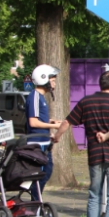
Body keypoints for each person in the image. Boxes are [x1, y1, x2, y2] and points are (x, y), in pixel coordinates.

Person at [53, 70, 109, 217]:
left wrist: (56, 137)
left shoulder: (86, 102)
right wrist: (107, 135)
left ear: (100, 84)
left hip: (94, 156)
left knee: (94, 194)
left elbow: (66, 122)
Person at [26, 64, 63, 198]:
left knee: (46, 171)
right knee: (42, 173)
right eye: (52, 80)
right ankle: (35, 200)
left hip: (43, 141)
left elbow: (40, 118)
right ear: (43, 79)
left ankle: (36, 200)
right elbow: (33, 122)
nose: (54, 83)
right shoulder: (35, 97)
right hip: (37, 143)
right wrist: (53, 126)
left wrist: (52, 121)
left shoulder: (40, 98)